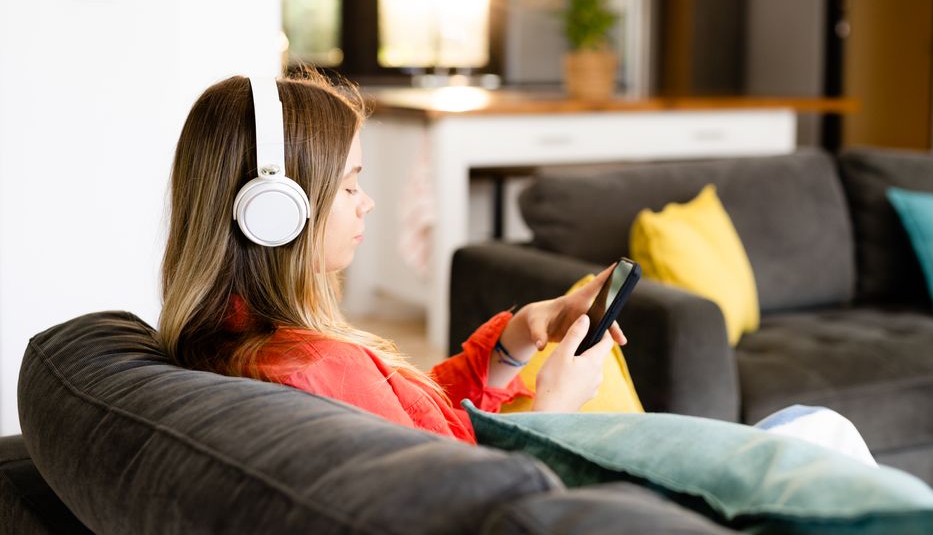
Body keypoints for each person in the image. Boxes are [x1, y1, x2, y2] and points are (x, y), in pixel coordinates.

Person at [158, 70, 624, 445]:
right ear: (273, 212)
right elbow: (479, 501)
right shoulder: (317, 369)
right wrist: (557, 407)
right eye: (348, 185)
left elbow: (414, 420)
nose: (366, 202)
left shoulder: (224, 338)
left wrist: (516, 337)